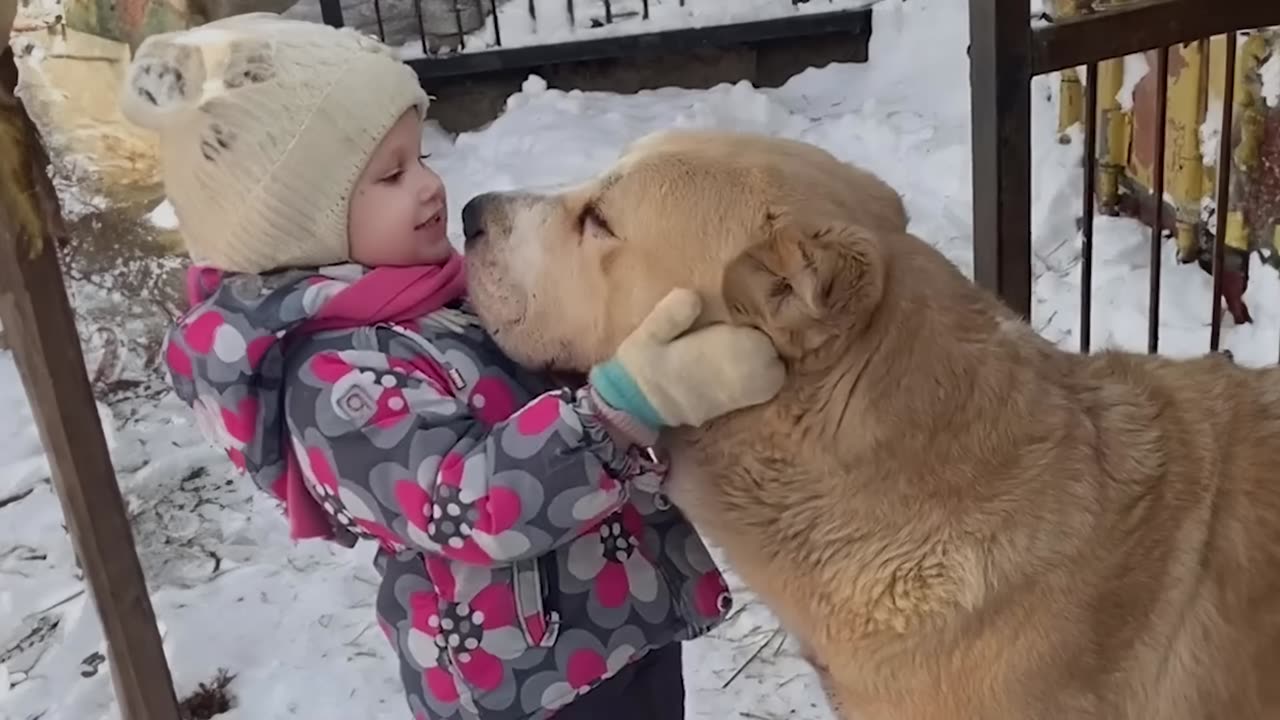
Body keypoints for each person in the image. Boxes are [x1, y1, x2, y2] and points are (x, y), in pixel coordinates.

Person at [120, 14, 785, 720]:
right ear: (303, 224)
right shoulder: (329, 381)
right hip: (533, 684)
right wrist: (619, 405)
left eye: (423, 157)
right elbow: (472, 504)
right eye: (392, 174)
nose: (430, 187)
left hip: (618, 626)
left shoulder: (434, 298)